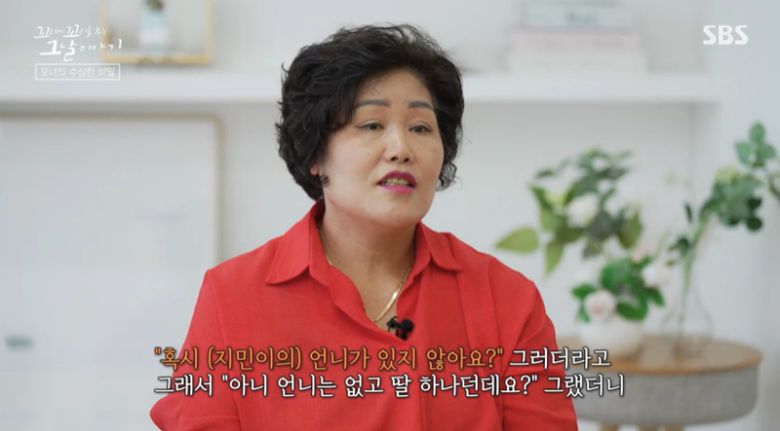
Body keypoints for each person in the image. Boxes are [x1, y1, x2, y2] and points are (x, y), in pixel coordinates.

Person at [150, 23, 578, 430]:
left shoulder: (506, 300)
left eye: (421, 128)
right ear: (316, 155)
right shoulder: (232, 297)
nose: (401, 148)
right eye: (372, 125)